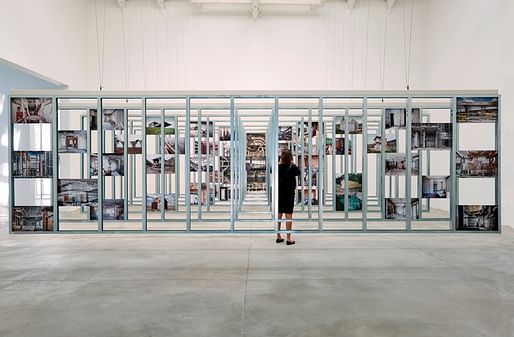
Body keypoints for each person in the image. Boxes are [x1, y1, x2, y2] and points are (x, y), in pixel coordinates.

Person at [277, 149, 301, 245]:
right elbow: (298, 172)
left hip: (279, 193)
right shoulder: (292, 167)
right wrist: (293, 163)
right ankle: (288, 238)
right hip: (289, 194)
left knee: (279, 215)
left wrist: (279, 163)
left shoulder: (278, 167)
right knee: (288, 215)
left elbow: (271, 171)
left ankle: (278, 236)